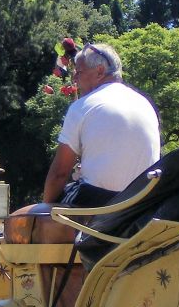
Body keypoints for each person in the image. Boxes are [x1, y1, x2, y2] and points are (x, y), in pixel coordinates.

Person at [42, 42, 160, 206]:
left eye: (79, 72)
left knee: (45, 209)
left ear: (100, 71)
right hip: (141, 206)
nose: (74, 79)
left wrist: (43, 214)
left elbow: (59, 174)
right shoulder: (146, 105)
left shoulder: (83, 106)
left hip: (97, 206)